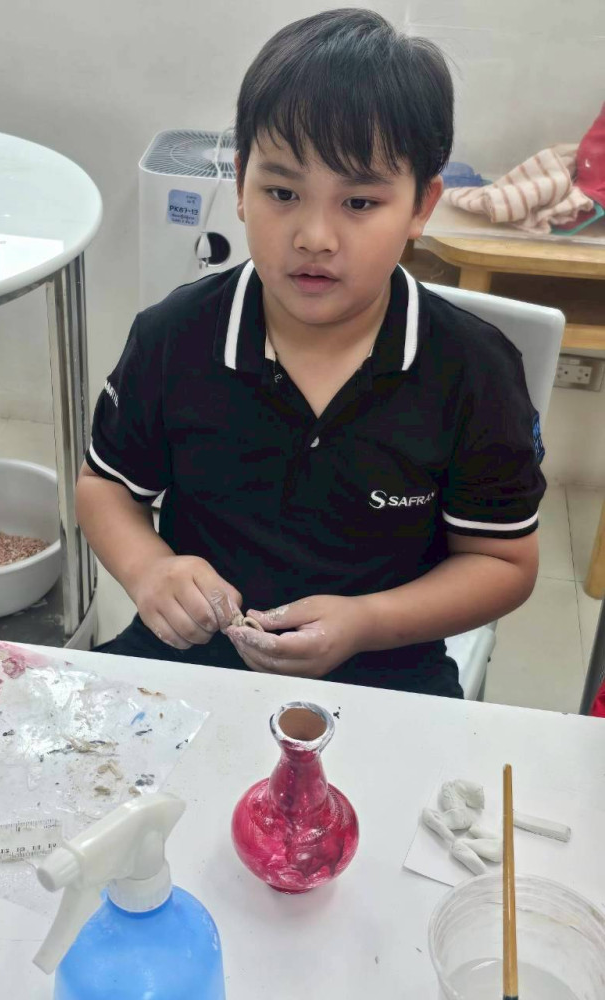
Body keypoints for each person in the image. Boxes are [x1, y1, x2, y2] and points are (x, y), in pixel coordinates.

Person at [76, 8, 545, 698]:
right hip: (194, 658)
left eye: (359, 202)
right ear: (241, 185)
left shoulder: (473, 372)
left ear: (421, 207)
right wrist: (149, 569)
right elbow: (106, 487)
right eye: (282, 192)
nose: (314, 236)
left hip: (388, 665)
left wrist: (366, 622)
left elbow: (504, 563)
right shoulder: (173, 337)